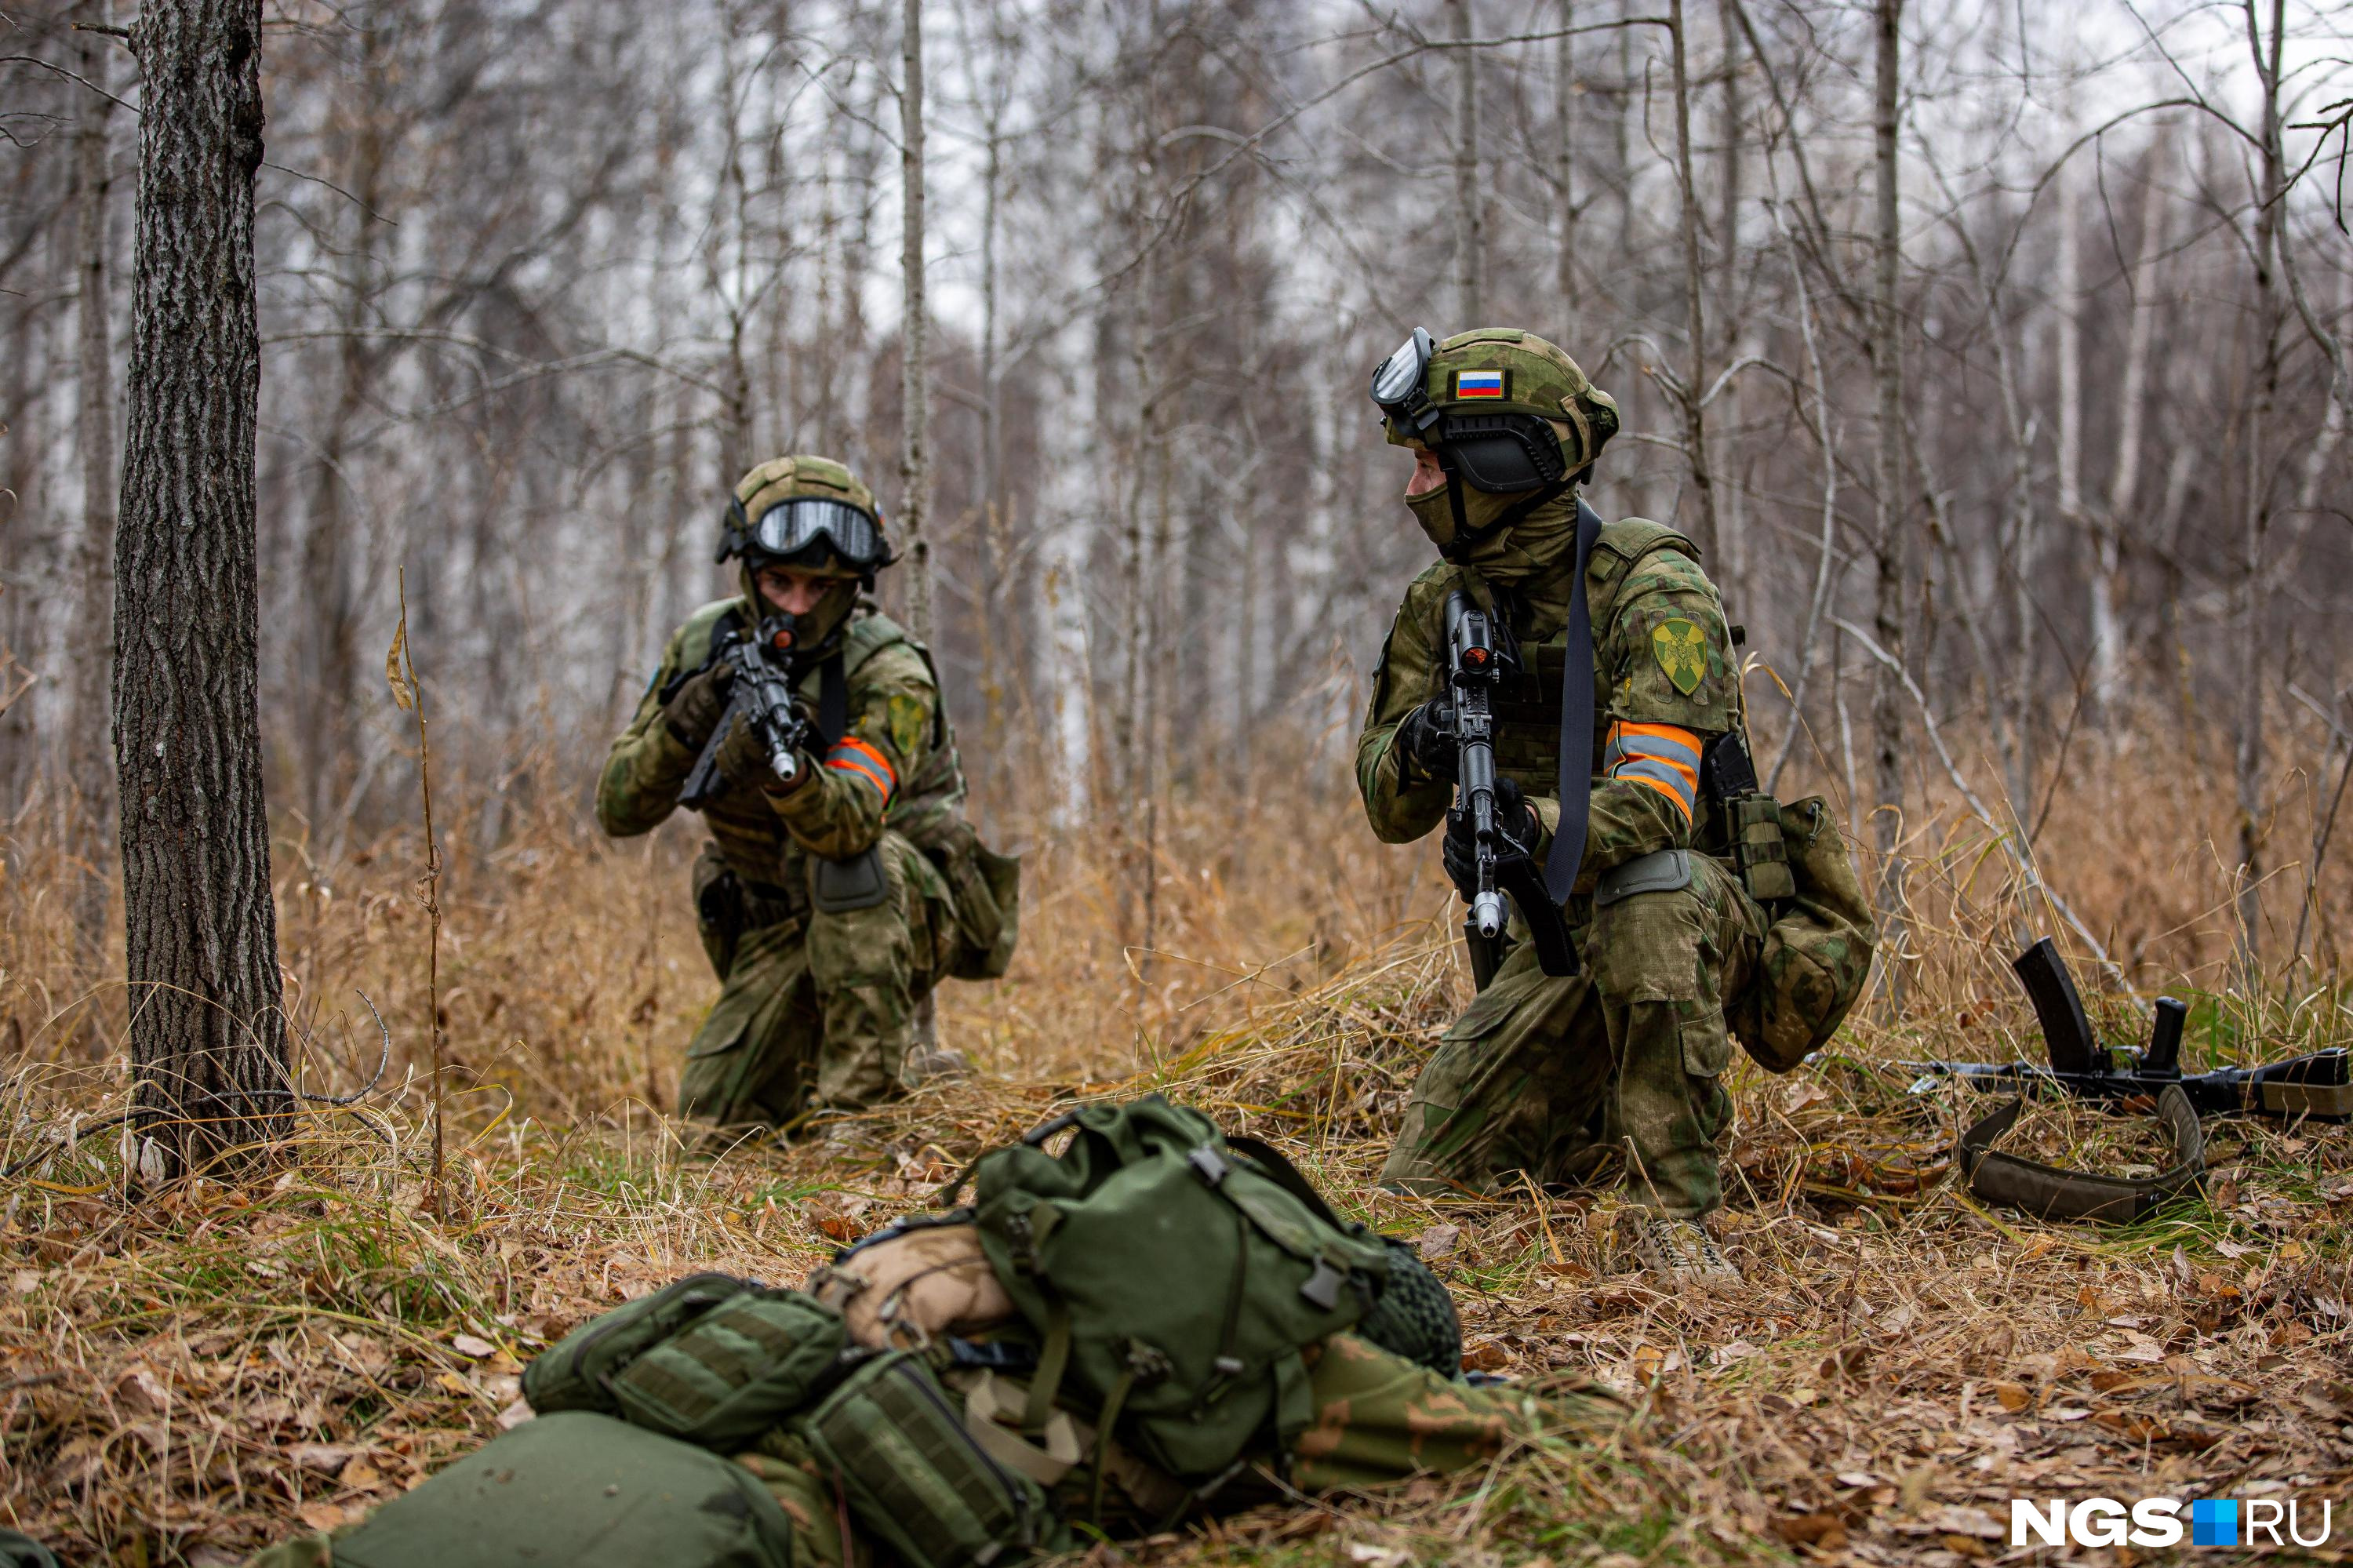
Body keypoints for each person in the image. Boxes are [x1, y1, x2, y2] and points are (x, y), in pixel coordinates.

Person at [1356, 328, 1762, 1281]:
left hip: (1689, 921)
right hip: (1549, 942)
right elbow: (1386, 808)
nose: (1413, 489)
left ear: (1500, 465)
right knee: (1426, 1182)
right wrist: (1424, 746)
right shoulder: (1442, 604)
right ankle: (1594, 1118)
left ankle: (1674, 1212)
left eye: (1428, 463)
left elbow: (1662, 803)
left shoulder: (1651, 588)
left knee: (1653, 888)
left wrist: (1530, 824)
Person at [598, 455, 1015, 1128]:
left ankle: (867, 1117)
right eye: (778, 581)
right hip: (779, 914)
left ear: (852, 584)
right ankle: (913, 1077)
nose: (796, 604)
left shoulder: (890, 669)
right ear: (747, 572)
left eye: (821, 587)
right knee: (716, 1126)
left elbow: (850, 827)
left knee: (855, 866)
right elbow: (618, 810)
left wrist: (781, 767)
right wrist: (688, 721)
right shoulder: (706, 643)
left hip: (905, 908)